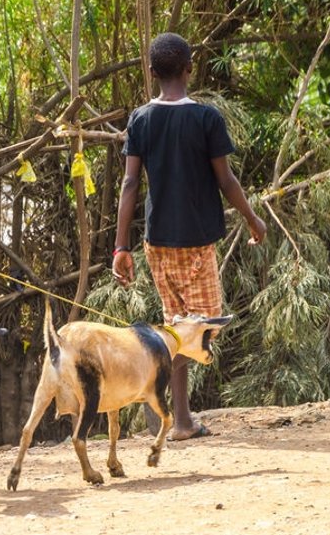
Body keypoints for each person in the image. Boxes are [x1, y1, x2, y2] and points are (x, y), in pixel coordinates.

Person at [112, 32, 266, 441]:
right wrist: (252, 217)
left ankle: (176, 416)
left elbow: (130, 185)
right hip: (196, 242)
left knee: (177, 326)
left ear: (151, 72)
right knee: (198, 329)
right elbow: (226, 179)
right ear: (189, 68)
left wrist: (121, 246)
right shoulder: (206, 118)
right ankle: (176, 417)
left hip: (157, 241)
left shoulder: (140, 119)